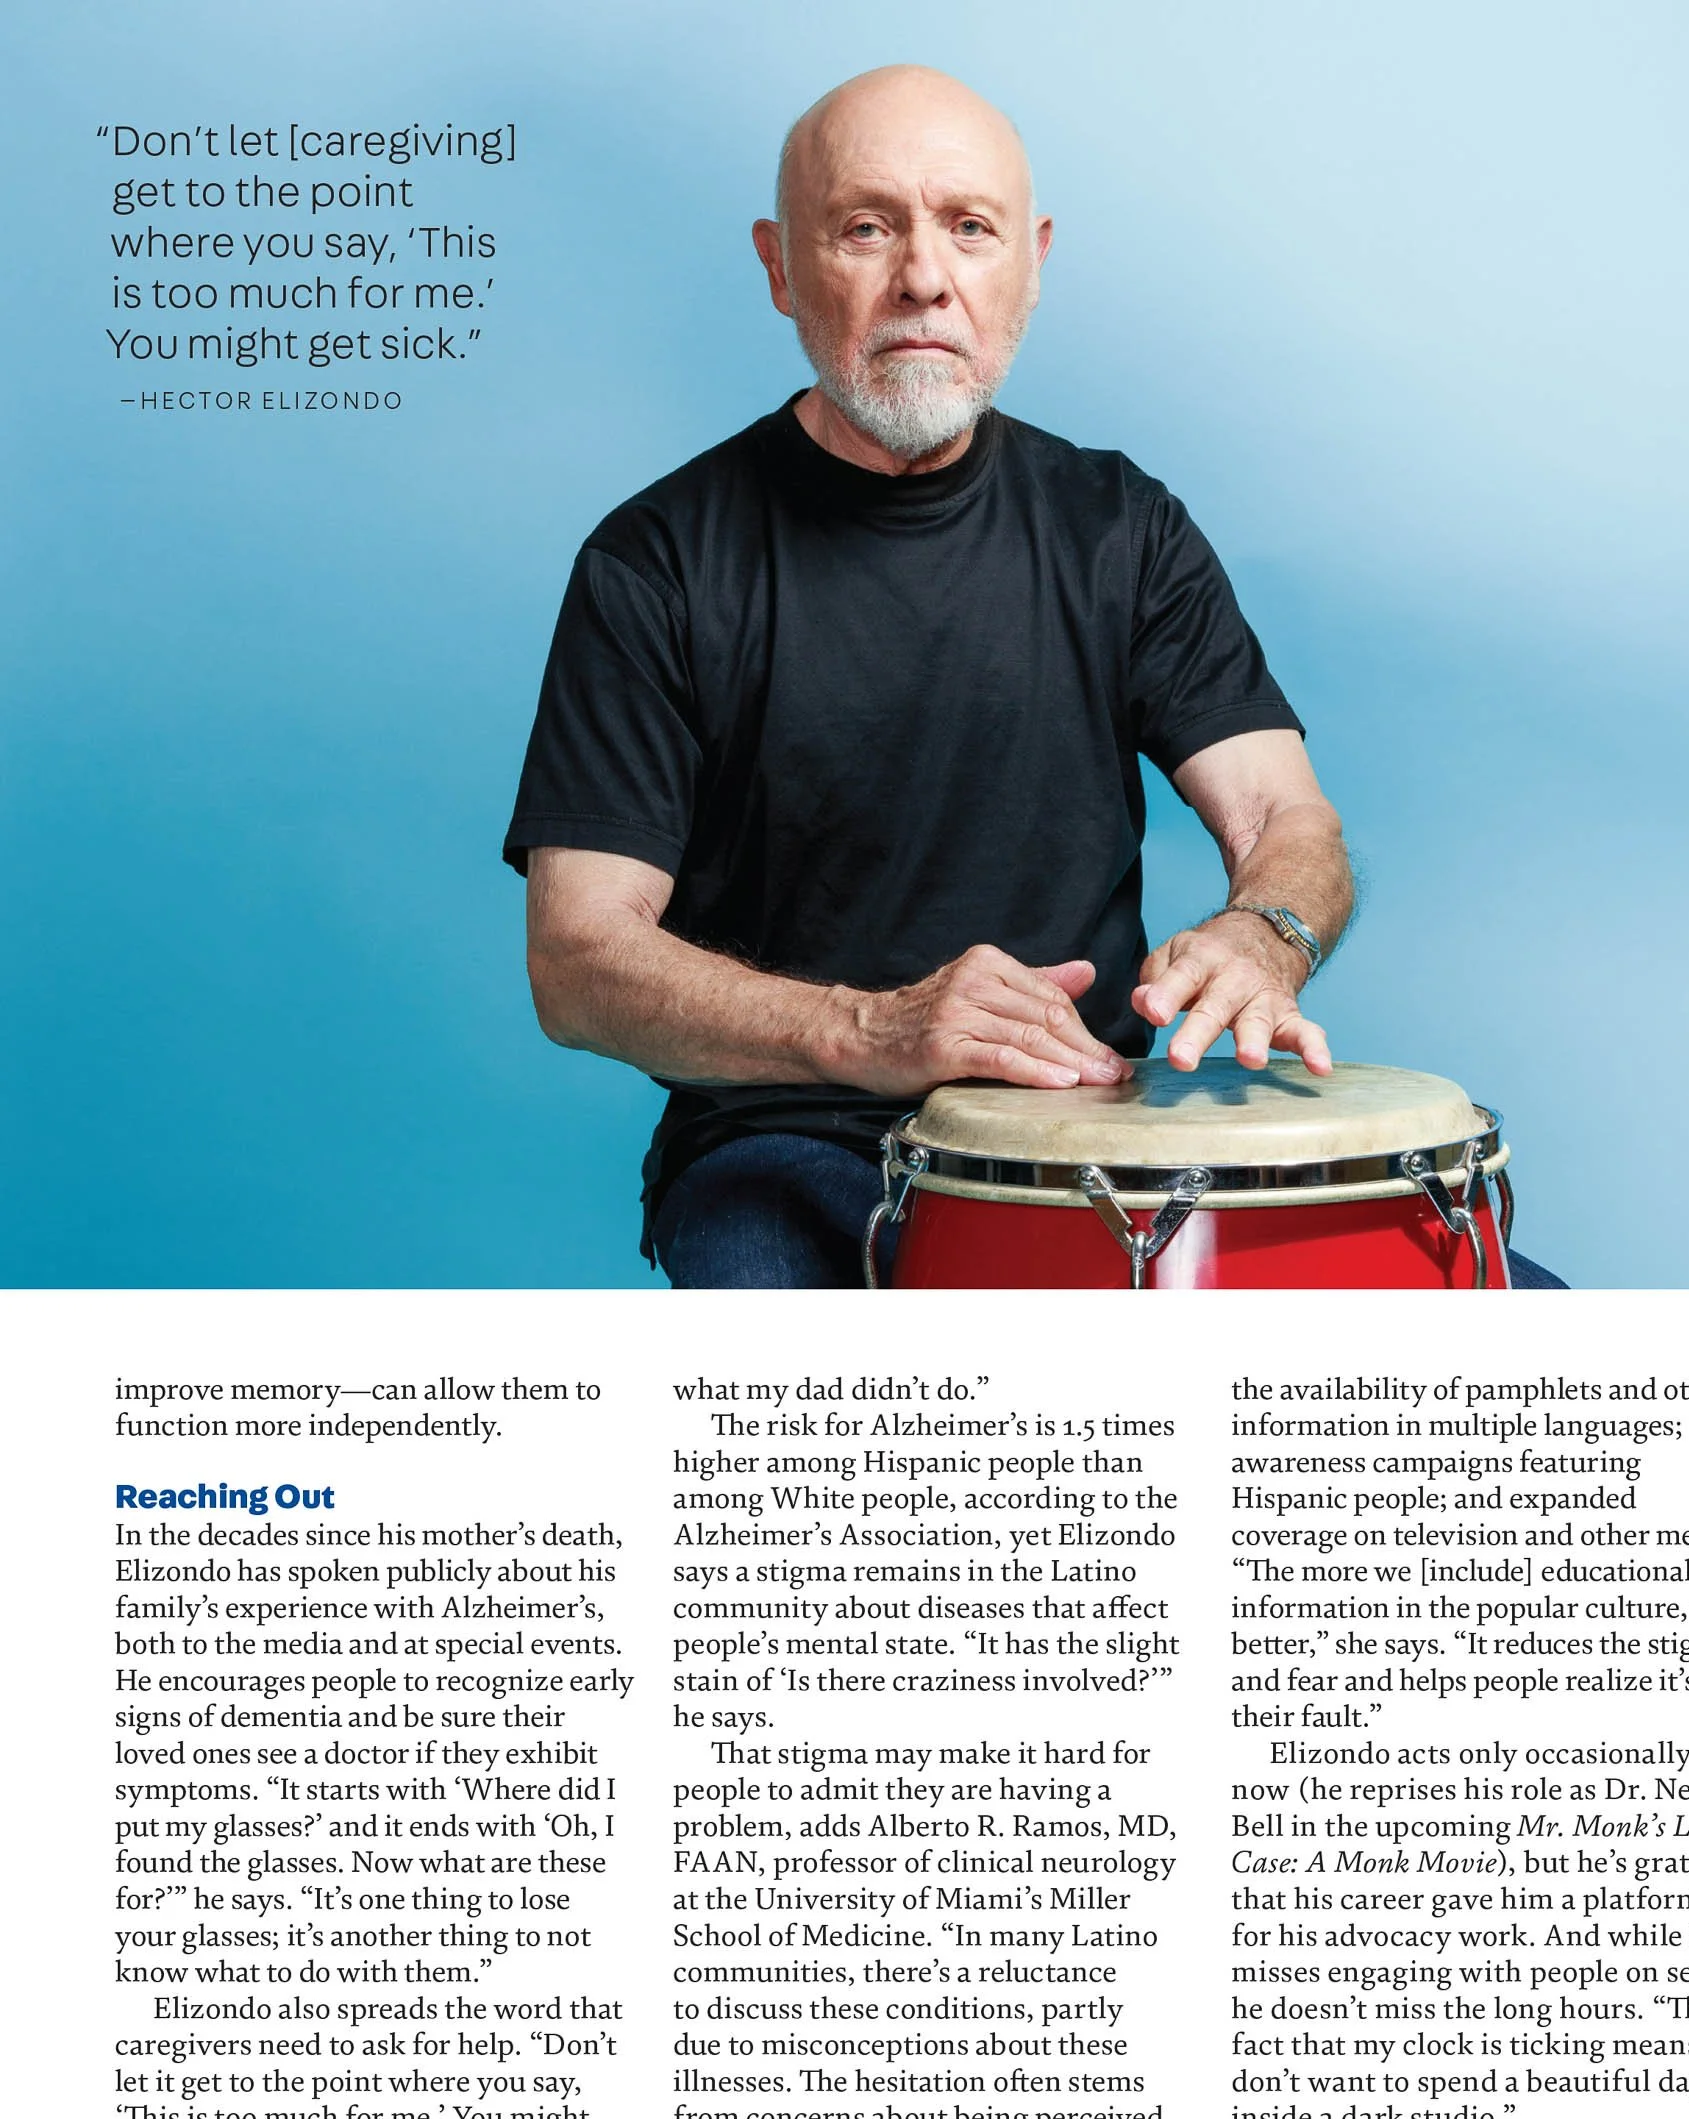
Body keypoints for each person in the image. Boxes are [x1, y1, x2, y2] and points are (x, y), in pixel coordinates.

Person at [504, 64, 1560, 1290]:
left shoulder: (1121, 528)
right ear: (780, 266)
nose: (922, 278)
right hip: (786, 1138)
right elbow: (577, 960)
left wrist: (1261, 935)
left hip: (1101, 1135)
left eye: (968, 227)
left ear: (1032, 262)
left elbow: (1285, 815)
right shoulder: (656, 563)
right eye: (863, 227)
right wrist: (868, 1030)